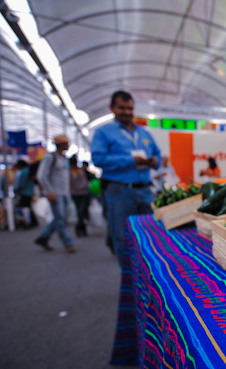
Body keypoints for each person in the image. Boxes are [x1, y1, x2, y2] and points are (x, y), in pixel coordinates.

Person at [91, 90, 160, 265]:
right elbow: (98, 159)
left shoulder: (144, 133)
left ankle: (147, 271)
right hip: (119, 191)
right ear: (112, 108)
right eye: (122, 108)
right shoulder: (103, 132)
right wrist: (130, 160)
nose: (127, 112)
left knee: (151, 233)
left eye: (130, 108)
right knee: (122, 237)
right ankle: (129, 276)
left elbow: (158, 154)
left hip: (146, 190)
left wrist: (154, 161)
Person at [34, 135, 76, 253]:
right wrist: (49, 191)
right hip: (55, 192)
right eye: (66, 143)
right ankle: (68, 243)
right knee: (60, 218)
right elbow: (41, 176)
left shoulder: (64, 158)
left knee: (61, 218)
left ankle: (44, 237)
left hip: (65, 193)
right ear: (61, 145)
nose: (68, 146)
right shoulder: (50, 157)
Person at [13, 159, 38, 228]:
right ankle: (33, 221)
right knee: (28, 207)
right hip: (29, 192)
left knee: (25, 208)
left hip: (24, 192)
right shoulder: (29, 171)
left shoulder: (24, 172)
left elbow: (21, 183)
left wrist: (16, 189)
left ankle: (27, 222)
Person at [69, 156, 90, 237]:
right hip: (76, 194)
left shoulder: (82, 170)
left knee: (82, 211)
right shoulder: (69, 172)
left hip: (84, 193)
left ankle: (81, 228)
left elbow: (88, 179)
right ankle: (80, 228)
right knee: (80, 211)